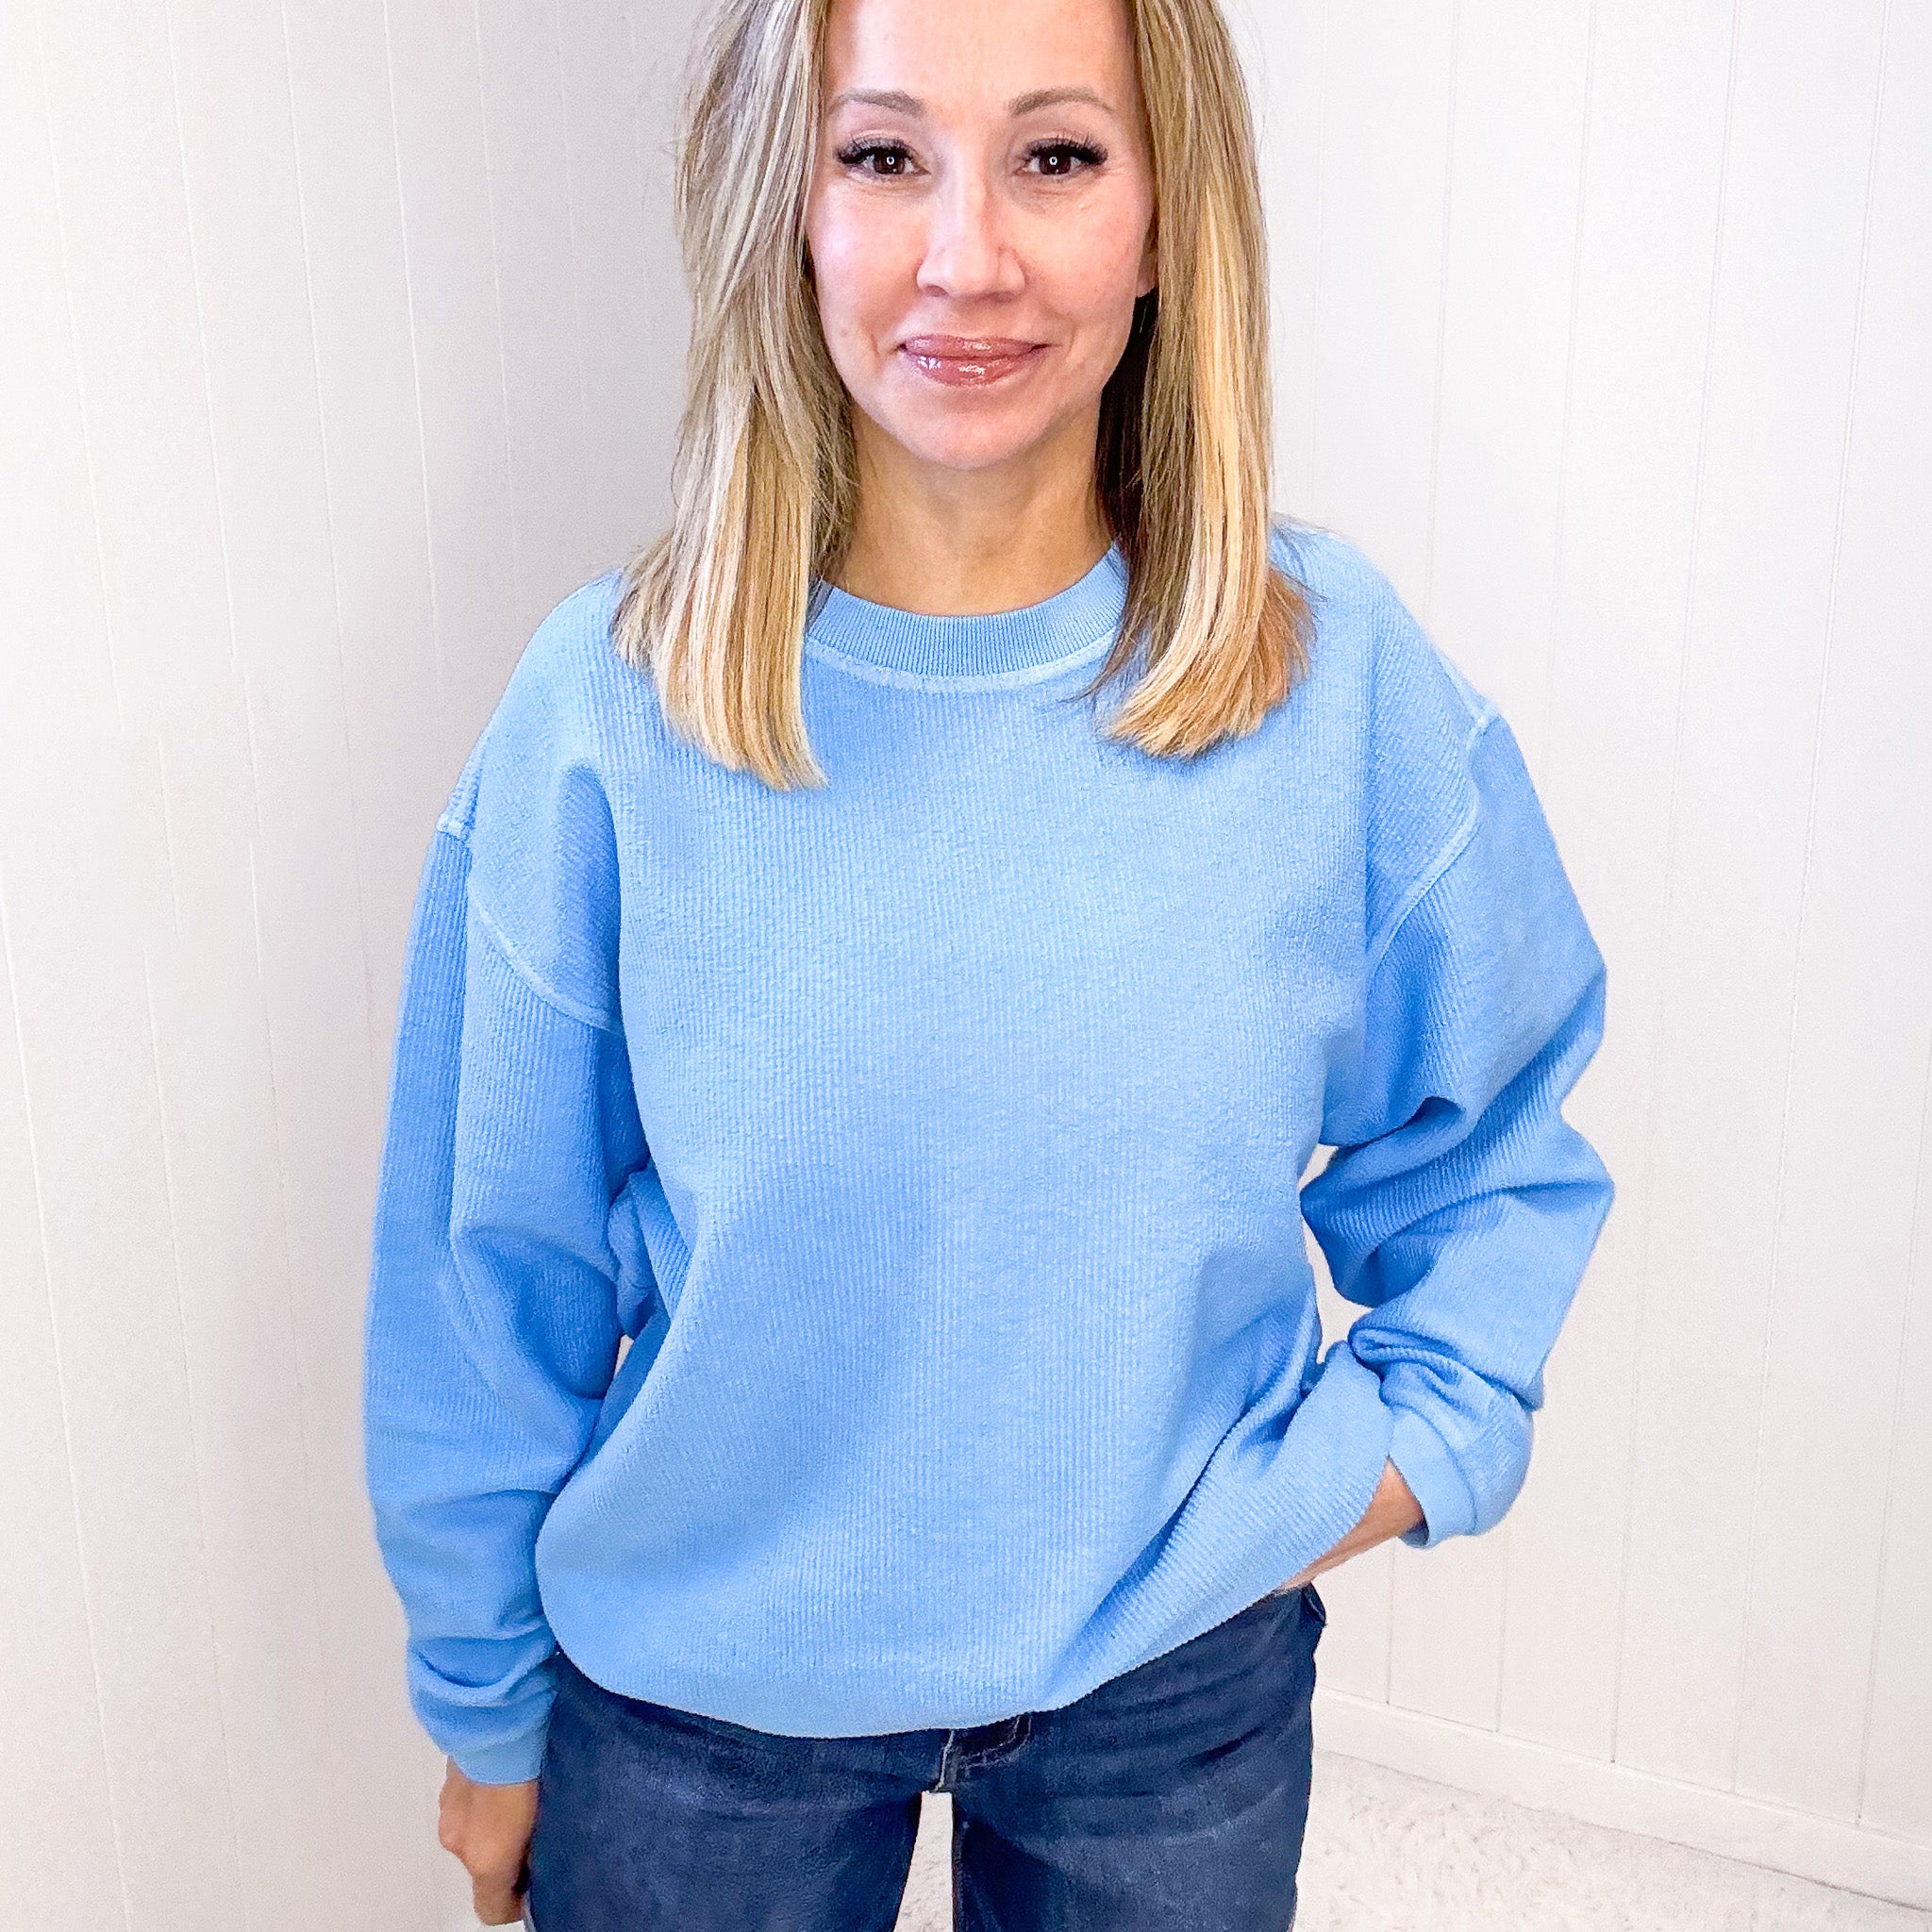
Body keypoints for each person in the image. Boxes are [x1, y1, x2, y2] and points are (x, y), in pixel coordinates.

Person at [361, 0, 1615, 1923]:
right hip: (702, 1710)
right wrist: (485, 1705)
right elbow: (485, 1270)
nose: (968, 255)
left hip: (1169, 1690)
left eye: (1055, 156)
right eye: (883, 156)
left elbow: (1495, 1152)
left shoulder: (1332, 678)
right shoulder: (608, 712)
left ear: (1163, 213)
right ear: (788, 201)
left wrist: (1414, 1442)